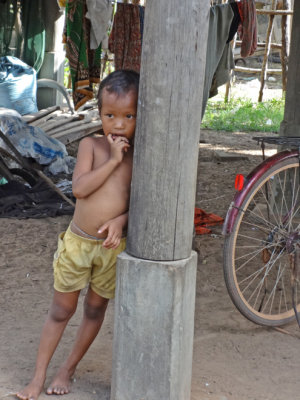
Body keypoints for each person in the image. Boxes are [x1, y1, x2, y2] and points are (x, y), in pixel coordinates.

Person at [16, 69, 139, 400]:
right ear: (98, 114)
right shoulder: (91, 145)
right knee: (61, 310)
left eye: (128, 115)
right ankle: (38, 377)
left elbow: (145, 204)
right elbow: (81, 190)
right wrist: (113, 160)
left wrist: (121, 221)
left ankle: (67, 369)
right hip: (78, 245)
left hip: (112, 247)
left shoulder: (141, 157)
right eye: (110, 115)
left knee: (95, 310)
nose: (117, 124)